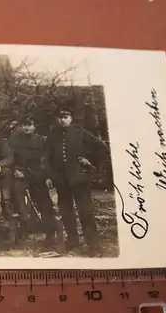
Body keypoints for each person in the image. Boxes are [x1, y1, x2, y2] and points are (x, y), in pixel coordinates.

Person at [45, 108, 110, 255]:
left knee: (86, 212)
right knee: (66, 211)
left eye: (65, 116)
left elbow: (101, 147)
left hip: (79, 179)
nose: (62, 119)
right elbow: (47, 157)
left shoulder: (80, 132)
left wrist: (91, 161)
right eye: (60, 117)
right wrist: (49, 176)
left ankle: (93, 245)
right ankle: (72, 241)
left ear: (71, 118)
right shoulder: (52, 135)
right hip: (61, 180)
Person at [8, 116, 58, 245]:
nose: (26, 127)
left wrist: (47, 176)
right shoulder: (14, 140)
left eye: (29, 125)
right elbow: (9, 157)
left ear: (34, 126)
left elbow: (47, 159)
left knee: (44, 202)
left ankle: (50, 234)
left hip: (37, 173)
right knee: (17, 197)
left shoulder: (41, 140)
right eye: (24, 125)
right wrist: (14, 169)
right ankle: (23, 229)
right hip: (20, 172)